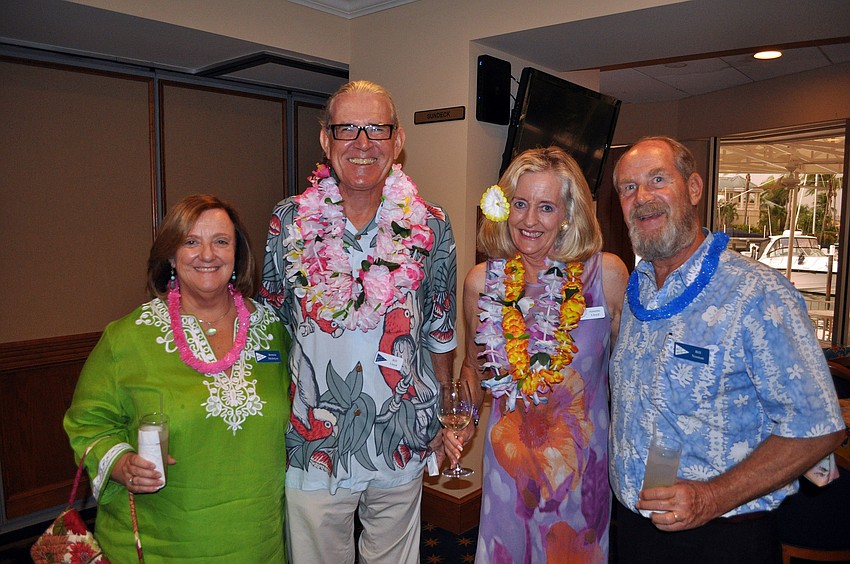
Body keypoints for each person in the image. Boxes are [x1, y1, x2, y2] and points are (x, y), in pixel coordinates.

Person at [609, 136, 845, 563]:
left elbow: (819, 428)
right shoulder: (633, 292)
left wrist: (711, 496)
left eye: (657, 179)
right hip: (635, 531)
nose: (642, 198)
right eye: (628, 188)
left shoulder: (758, 292)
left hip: (721, 538)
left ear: (694, 188)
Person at [261, 80, 457, 564]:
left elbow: (439, 327)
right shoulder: (288, 221)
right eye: (348, 129)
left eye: (377, 129)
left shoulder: (431, 224)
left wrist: (442, 411)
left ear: (398, 141)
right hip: (313, 439)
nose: (363, 143)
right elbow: (269, 326)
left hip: (401, 433)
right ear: (326, 140)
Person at [64, 194, 290, 562]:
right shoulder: (128, 337)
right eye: (190, 242)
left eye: (220, 241)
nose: (207, 254)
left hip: (257, 540)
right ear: (171, 255)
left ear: (237, 255)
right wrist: (121, 464)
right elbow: (87, 423)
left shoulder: (274, 331)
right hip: (160, 545)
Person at [444, 146, 628, 562]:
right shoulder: (481, 282)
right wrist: (463, 423)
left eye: (546, 207)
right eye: (521, 204)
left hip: (581, 474)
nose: (529, 220)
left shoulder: (607, 275)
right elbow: (473, 372)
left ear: (568, 213)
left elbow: (627, 372)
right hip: (508, 477)